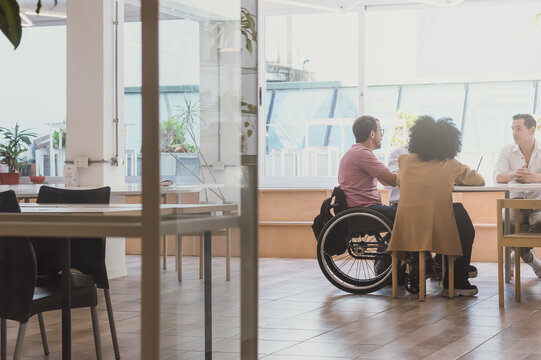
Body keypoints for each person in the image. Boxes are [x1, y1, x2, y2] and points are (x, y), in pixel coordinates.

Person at [388, 116, 485, 296]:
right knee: (462, 218)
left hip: (406, 227)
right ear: (449, 143)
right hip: (438, 228)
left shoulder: (404, 160)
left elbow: (399, 180)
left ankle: (456, 271)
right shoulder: (450, 163)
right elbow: (479, 181)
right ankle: (457, 280)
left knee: (456, 212)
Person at [494, 113, 541, 277]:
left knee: (540, 223)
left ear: (532, 130)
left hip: (538, 204)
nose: (514, 132)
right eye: (512, 129)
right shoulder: (507, 150)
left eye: (518, 129)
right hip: (515, 204)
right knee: (505, 223)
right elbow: (498, 176)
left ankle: (518, 254)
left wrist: (534, 178)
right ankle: (533, 261)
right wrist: (514, 175)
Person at [338, 115, 397, 221]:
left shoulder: (355, 152)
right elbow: (392, 180)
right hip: (366, 210)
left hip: (360, 209)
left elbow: (385, 181)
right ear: (372, 134)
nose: (382, 136)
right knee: (406, 212)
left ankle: (392, 237)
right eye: (380, 131)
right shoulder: (362, 154)